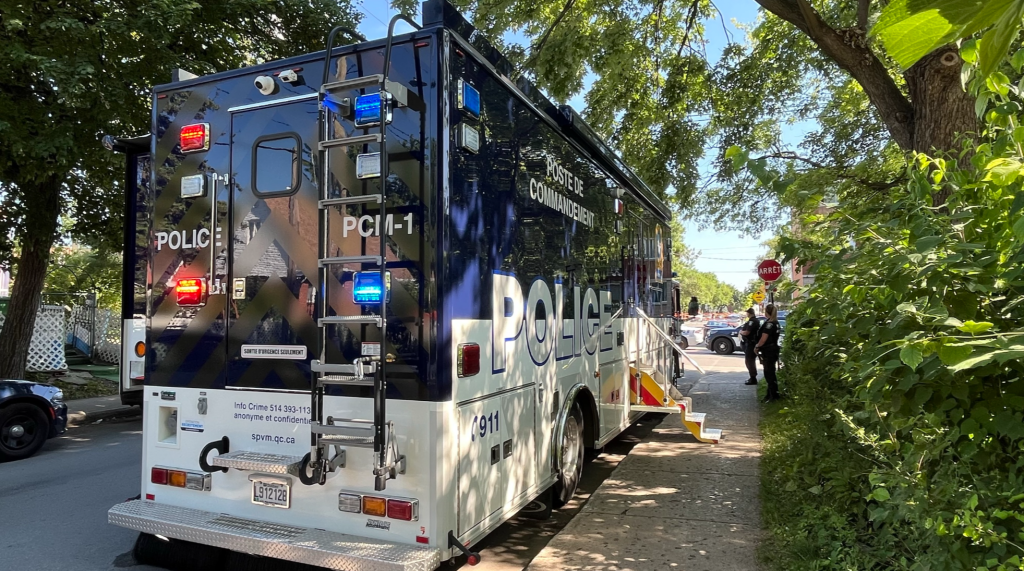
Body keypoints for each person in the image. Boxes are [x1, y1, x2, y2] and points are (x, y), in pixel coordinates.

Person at [754, 304, 782, 402]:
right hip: (773, 349)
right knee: (770, 372)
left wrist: (757, 346)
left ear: (767, 312)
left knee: (769, 373)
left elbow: (763, 338)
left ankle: (773, 396)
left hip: (768, 350)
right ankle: (770, 394)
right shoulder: (776, 322)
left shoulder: (769, 324)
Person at [738, 308, 759, 386]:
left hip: (751, 343)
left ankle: (753, 378)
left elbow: (747, 332)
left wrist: (741, 332)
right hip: (750, 343)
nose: (746, 314)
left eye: (747, 313)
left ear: (750, 313)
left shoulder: (752, 321)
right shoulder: (753, 321)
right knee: (749, 361)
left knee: (749, 361)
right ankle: (752, 377)